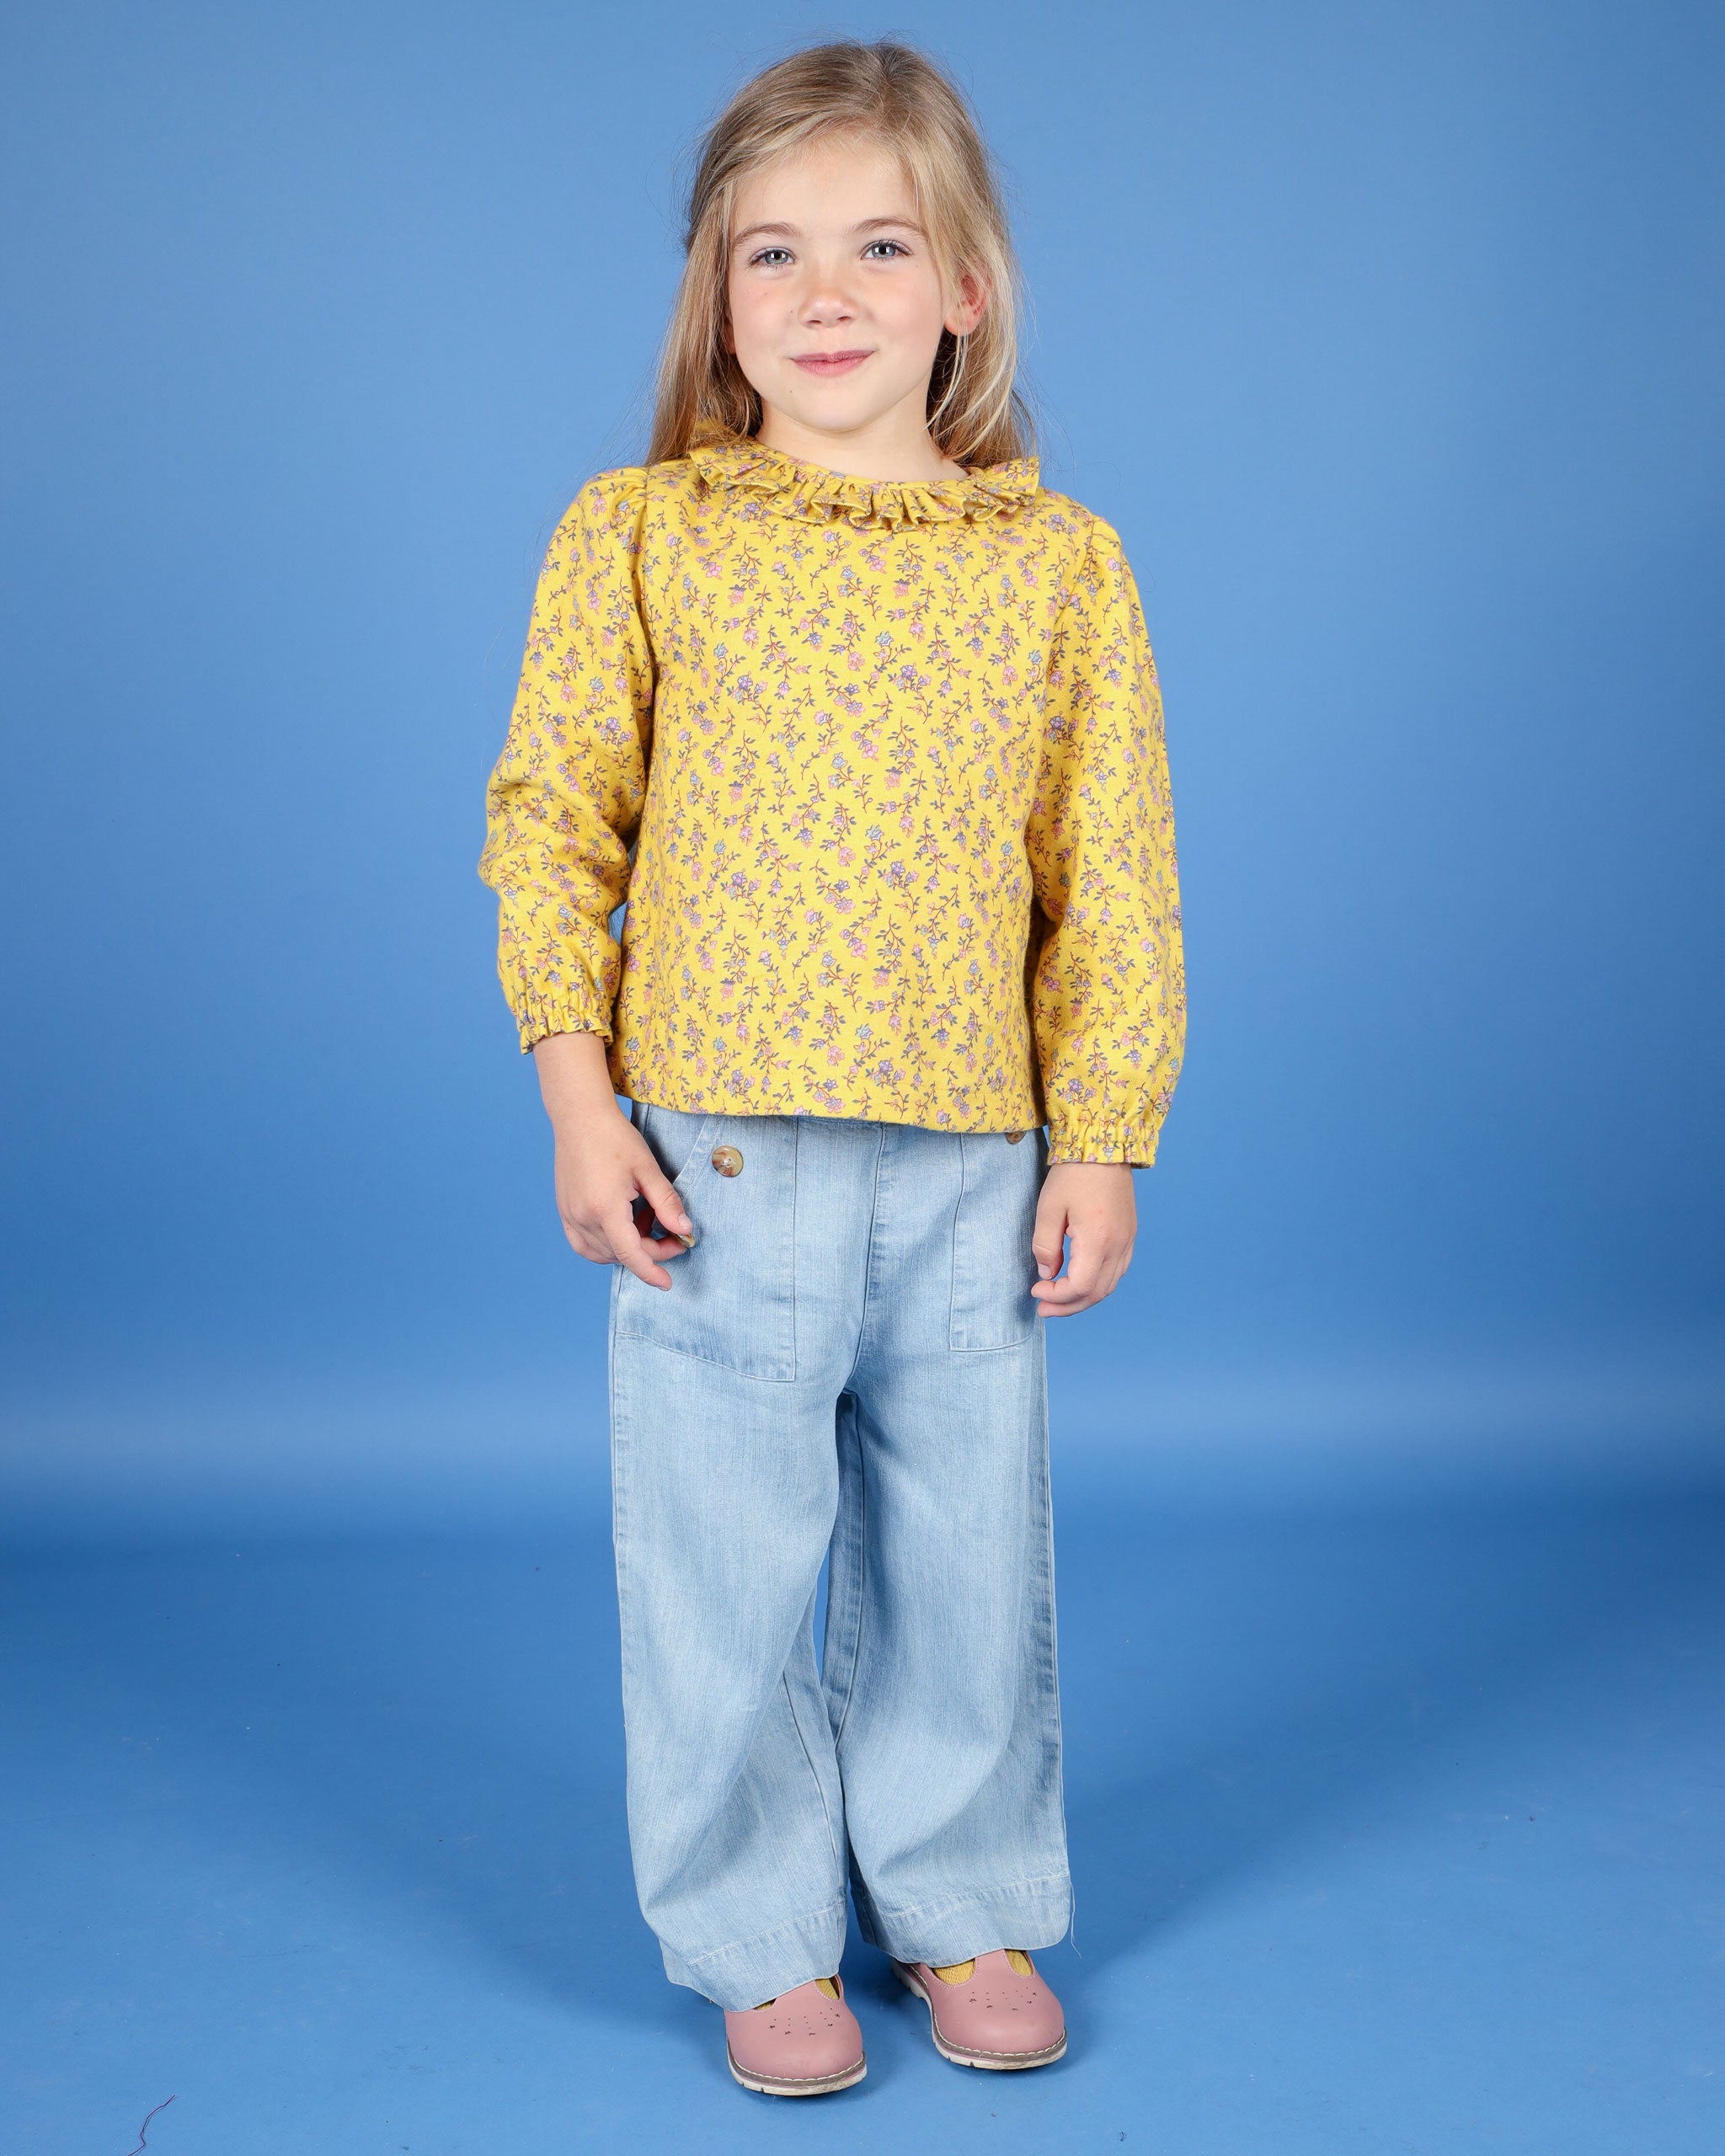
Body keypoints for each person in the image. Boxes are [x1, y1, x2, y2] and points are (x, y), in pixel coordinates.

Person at [478, 36, 1185, 2098]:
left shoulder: (1057, 565)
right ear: (715, 293)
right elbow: (553, 819)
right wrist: (576, 1099)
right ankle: (757, 1929)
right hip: (711, 1151)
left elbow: (1109, 880)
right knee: (716, 1566)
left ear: (967, 284)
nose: (824, 293)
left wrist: (1106, 1138)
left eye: (880, 244)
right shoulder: (642, 533)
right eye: (767, 251)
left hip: (972, 1155)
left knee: (969, 1558)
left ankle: (957, 1893)